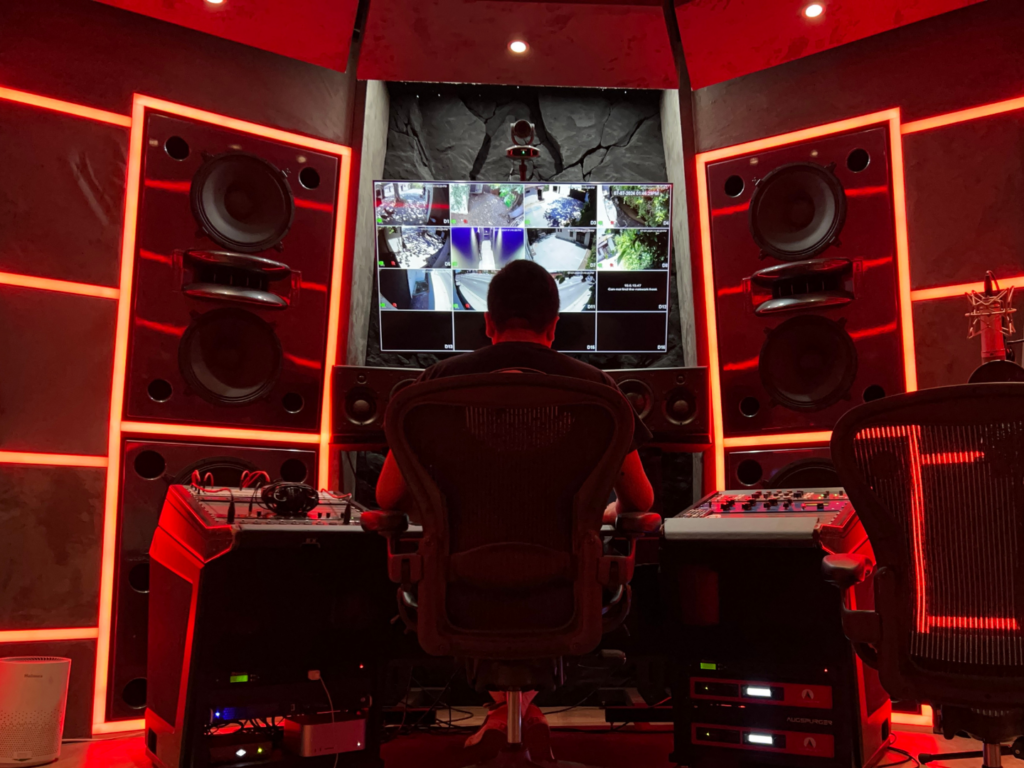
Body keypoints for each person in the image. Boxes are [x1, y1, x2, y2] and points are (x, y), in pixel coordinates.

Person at [375, 259, 655, 761]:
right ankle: (518, 713)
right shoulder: (599, 391)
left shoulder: (434, 386)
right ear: (555, 324)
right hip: (565, 592)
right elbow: (644, 503)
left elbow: (386, 499)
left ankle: (507, 714)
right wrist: (603, 513)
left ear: (487, 322)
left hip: (458, 592)